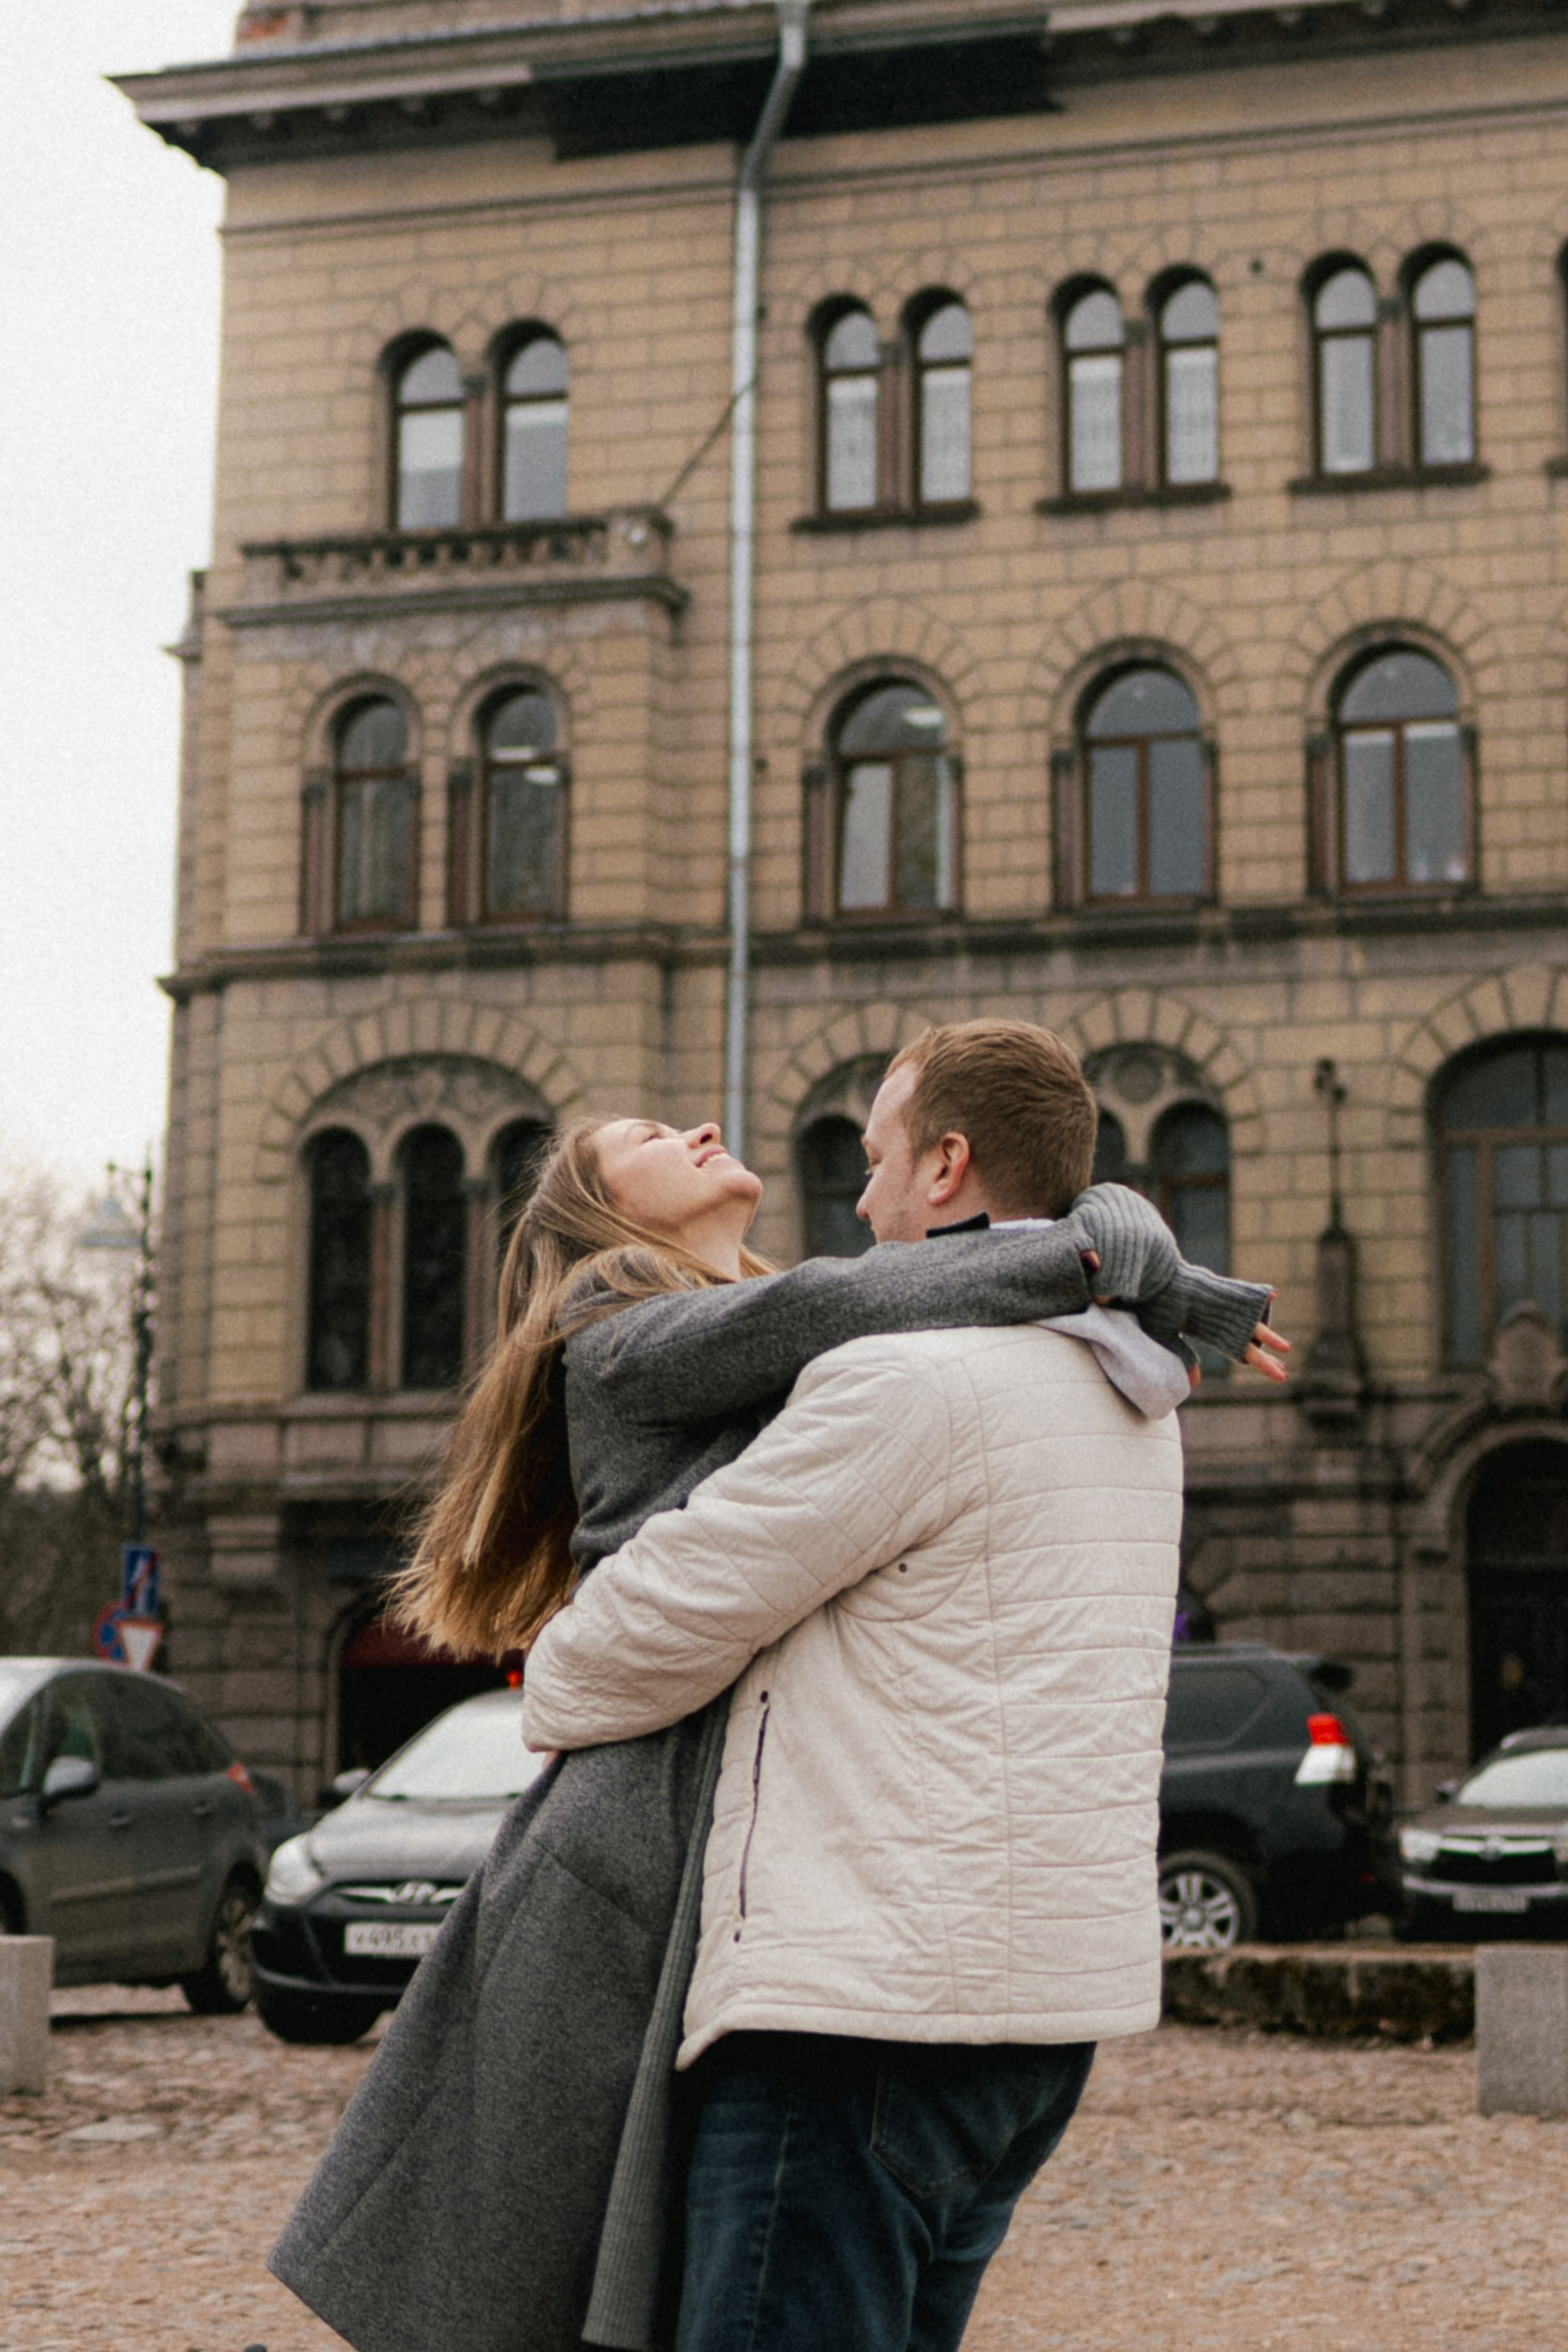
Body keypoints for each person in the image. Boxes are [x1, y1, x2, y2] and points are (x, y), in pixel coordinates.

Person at [271, 1026, 1282, 2352]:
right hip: (727, 1852)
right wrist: (1119, 1263)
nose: (856, 1201)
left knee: (588, 2254)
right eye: (648, 1141)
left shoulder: (902, 1377)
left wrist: (1127, 1249)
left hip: (820, 1950)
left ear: (949, 1166)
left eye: (876, 1161)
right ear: (602, 1219)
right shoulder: (627, 1321)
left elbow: (845, 1339)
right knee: (536, 2228)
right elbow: (836, 1302)